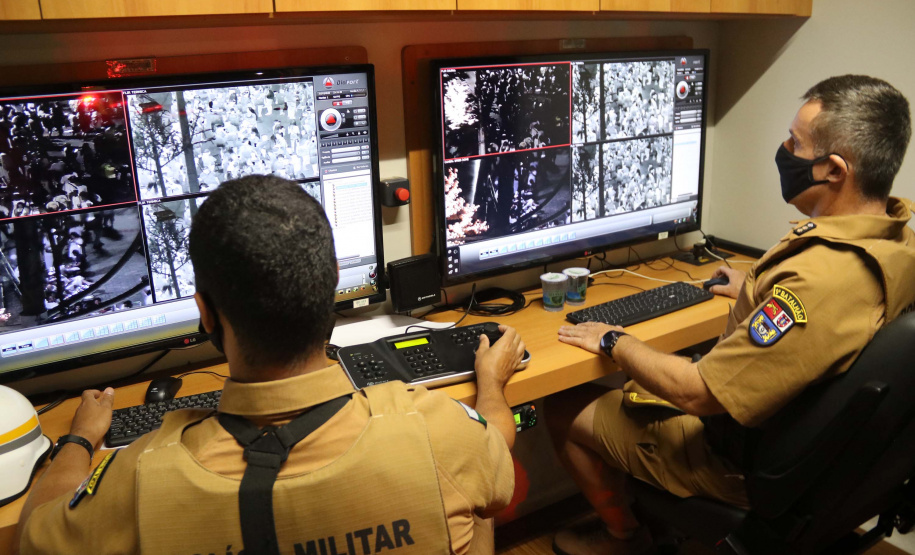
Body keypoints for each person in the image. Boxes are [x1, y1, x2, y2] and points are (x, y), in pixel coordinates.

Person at [17, 175, 526, 555]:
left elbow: (33, 537)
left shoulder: (141, 476)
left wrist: (79, 440)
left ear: (206, 313)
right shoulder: (434, 429)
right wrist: (491, 384)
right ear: (330, 284)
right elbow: (496, 446)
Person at [547, 75, 915, 555]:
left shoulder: (818, 284)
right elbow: (826, 315)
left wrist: (615, 340)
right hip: (829, 466)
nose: (784, 150)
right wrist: (758, 289)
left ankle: (626, 539)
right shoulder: (894, 241)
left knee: (558, 405)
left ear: (833, 171)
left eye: (795, 143)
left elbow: (696, 392)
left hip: (737, 463)